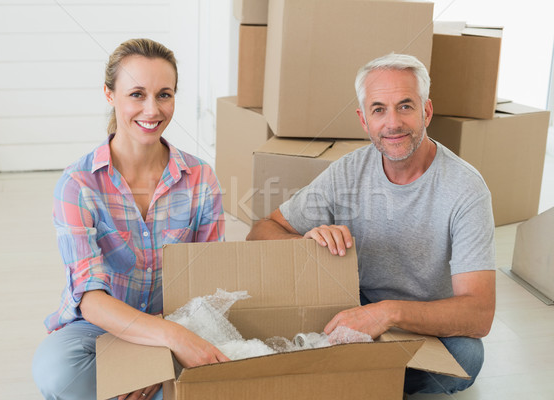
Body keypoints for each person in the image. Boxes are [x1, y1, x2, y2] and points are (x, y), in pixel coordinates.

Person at [246, 53, 496, 395]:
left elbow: (479, 313)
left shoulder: (466, 188)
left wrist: (388, 314)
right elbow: (260, 231)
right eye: (379, 109)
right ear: (364, 120)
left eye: (405, 106)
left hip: (421, 323)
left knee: (466, 359)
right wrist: (306, 242)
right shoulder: (347, 171)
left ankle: (340, 374)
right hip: (350, 305)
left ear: (426, 111)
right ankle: (359, 375)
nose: (392, 123)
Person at [32, 38, 229, 400]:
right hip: (101, 327)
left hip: (178, 320)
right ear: (110, 95)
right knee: (56, 369)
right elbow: (90, 299)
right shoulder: (77, 184)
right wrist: (165, 344)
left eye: (164, 94)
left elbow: (206, 281)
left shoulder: (201, 178)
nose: (152, 110)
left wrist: (165, 347)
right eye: (137, 94)